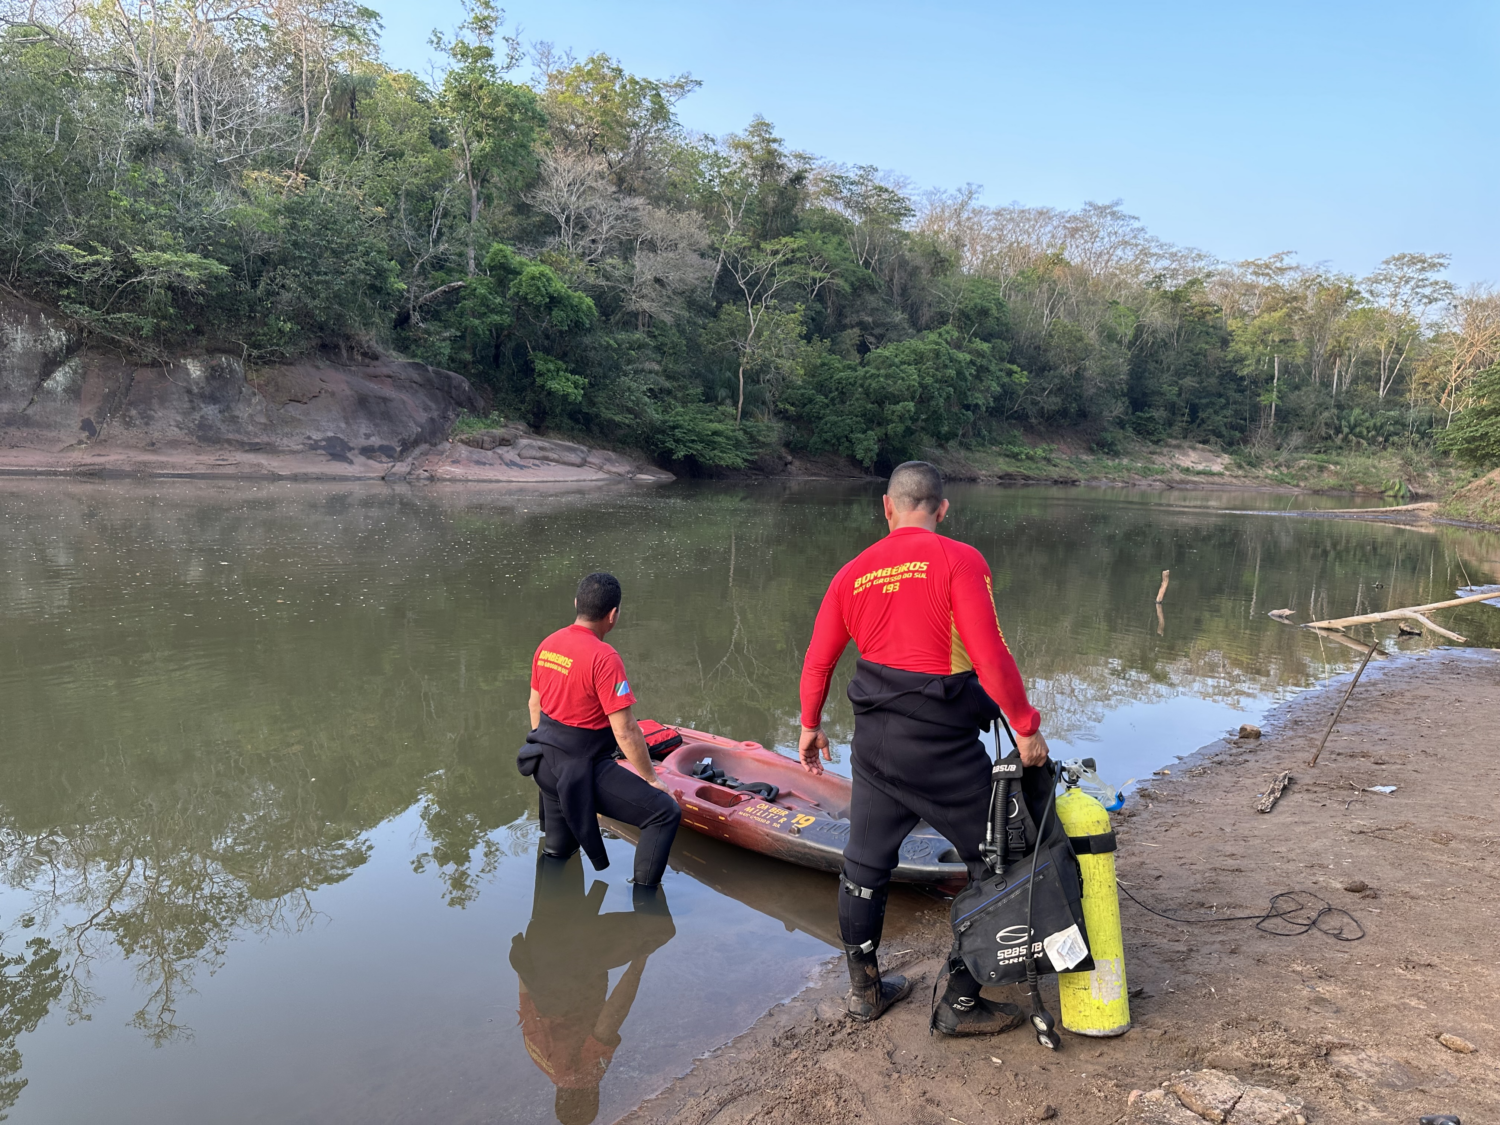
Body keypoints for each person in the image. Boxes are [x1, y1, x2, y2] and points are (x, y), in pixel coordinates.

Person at [797, 461, 1051, 1033]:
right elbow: (990, 656)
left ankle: (864, 992)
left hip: (875, 744)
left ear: (887, 508)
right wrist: (1026, 726)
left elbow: (819, 659)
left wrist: (810, 724)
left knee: (865, 864)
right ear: (942, 509)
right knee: (998, 862)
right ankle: (960, 1004)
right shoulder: (959, 559)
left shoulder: (852, 573)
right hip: (940, 745)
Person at [518, 572, 681, 894]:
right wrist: (650, 779)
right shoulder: (604, 658)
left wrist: (550, 746)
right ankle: (645, 905)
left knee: (557, 852)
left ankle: (548, 922)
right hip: (580, 768)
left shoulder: (548, 643)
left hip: (543, 763)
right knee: (663, 813)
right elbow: (625, 730)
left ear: (577, 603)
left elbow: (534, 704)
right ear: (613, 614)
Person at [511, 851, 676, 1125]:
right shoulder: (540, 1060)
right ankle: (561, 833)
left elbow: (610, 1018)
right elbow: (526, 991)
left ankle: (647, 872)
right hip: (537, 947)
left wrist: (639, 961)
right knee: (561, 864)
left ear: (592, 1098)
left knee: (660, 931)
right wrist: (528, 947)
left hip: (573, 964)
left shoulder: (584, 1077)